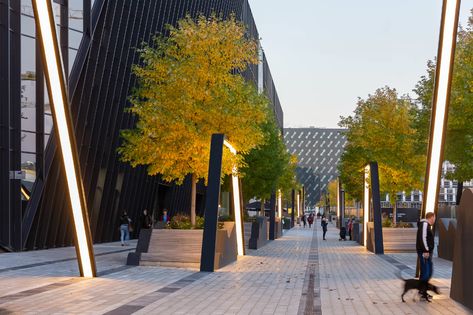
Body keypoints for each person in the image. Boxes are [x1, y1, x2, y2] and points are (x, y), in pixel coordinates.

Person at [416, 212, 436, 300]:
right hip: (425, 253)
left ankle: (422, 291)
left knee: (427, 271)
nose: (434, 220)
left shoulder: (426, 225)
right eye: (434, 218)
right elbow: (422, 238)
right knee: (426, 272)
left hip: (426, 252)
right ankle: (422, 292)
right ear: (431, 217)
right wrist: (426, 250)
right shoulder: (424, 224)